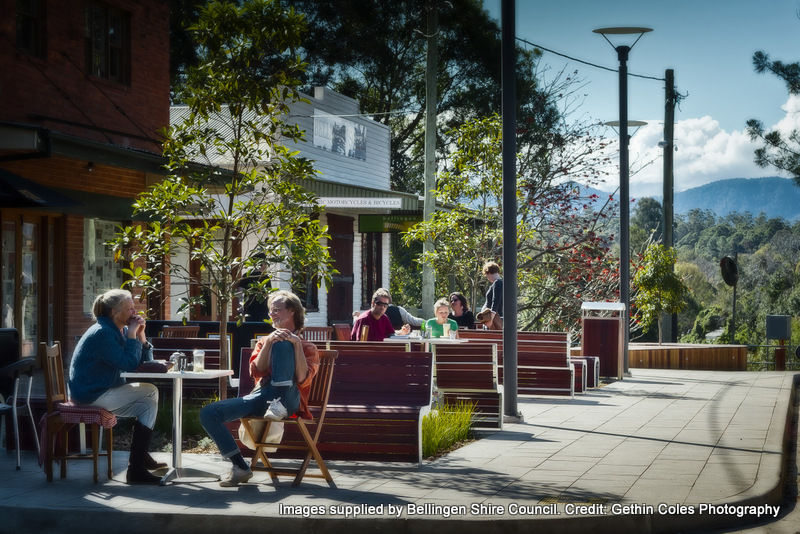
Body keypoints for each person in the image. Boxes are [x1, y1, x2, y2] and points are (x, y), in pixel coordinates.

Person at [199, 290, 319, 487]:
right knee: (208, 413)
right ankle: (240, 467)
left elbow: (302, 379)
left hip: (289, 400)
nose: (271, 313)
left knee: (284, 345)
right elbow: (256, 371)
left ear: (292, 312)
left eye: (277, 309)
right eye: (271, 310)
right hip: (261, 396)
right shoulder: (265, 341)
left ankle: (277, 404)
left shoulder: (308, 347)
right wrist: (270, 342)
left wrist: (295, 345)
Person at [68, 289, 164, 485]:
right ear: (114, 312)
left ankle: (137, 463)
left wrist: (141, 336)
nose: (134, 313)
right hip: (90, 394)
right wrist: (131, 334)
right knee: (150, 392)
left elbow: (141, 363)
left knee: (147, 403)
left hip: (102, 390)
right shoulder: (103, 333)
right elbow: (129, 364)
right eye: (129, 309)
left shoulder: (116, 330)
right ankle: (137, 465)